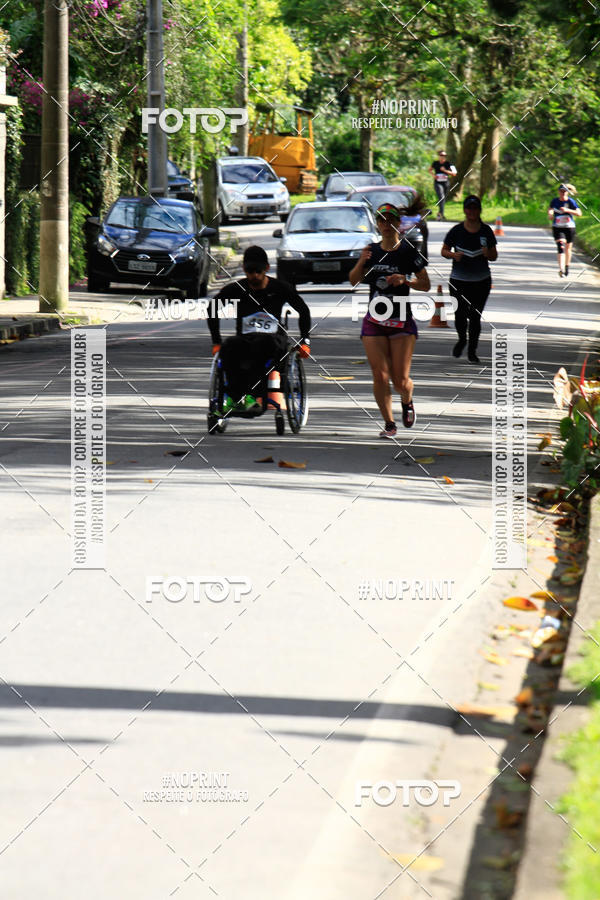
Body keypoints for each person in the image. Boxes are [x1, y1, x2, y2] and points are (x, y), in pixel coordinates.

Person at [349, 203, 430, 437]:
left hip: (401, 320)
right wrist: (361, 261)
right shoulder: (371, 251)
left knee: (400, 381)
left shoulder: (409, 251)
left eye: (390, 220)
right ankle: (389, 423)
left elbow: (425, 284)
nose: (386, 225)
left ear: (398, 223)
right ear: (377, 224)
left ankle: (407, 400)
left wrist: (405, 281)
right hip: (374, 321)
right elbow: (353, 281)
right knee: (380, 375)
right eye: (382, 220)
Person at [208, 245, 311, 413]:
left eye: (258, 271)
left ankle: (251, 395)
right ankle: (235, 397)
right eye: (250, 271)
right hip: (245, 339)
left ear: (267, 269)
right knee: (229, 346)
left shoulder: (280, 288)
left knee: (262, 344)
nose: (254, 275)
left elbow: (303, 310)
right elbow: (212, 308)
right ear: (244, 269)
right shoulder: (237, 289)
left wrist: (305, 340)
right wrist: (216, 342)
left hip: (273, 341)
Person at [441, 195, 498, 364]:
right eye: (469, 208)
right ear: (464, 210)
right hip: (458, 280)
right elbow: (444, 251)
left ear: (479, 210)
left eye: (475, 208)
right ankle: (462, 339)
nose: (472, 211)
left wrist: (488, 253)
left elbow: (494, 256)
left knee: (475, 316)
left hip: (481, 281)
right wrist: (453, 255)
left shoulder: (486, 231)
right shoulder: (456, 230)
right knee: (460, 315)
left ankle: (472, 350)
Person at [548, 183, 582, 277]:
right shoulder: (555, 201)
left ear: (567, 192)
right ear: (558, 192)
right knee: (560, 246)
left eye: (565, 191)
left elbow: (579, 213)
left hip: (569, 227)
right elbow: (550, 209)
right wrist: (550, 214)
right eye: (561, 191)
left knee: (568, 248)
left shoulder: (571, 201)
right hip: (557, 227)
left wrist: (567, 210)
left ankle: (567, 266)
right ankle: (561, 269)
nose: (563, 193)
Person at [428, 150, 456, 221]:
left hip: (446, 183)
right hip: (438, 183)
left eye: (444, 155)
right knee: (441, 196)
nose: (443, 157)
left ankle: (440, 213)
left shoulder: (448, 163)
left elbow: (454, 173)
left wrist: (445, 171)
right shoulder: (435, 163)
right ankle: (441, 214)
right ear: (439, 156)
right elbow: (430, 170)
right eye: (441, 155)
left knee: (443, 198)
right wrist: (434, 175)